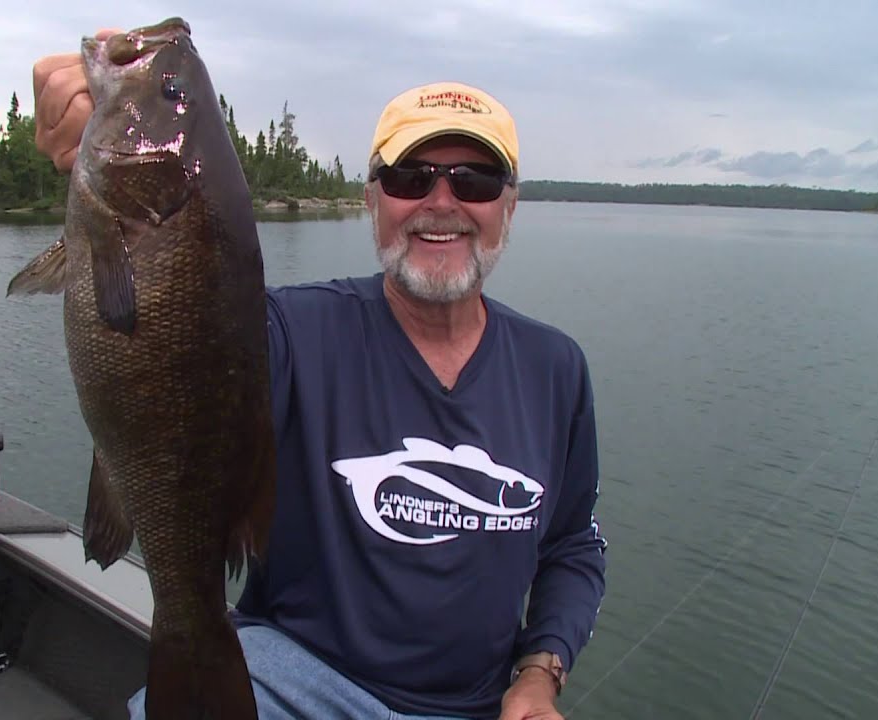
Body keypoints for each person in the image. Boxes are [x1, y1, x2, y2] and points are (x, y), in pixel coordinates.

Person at [30, 31, 607, 720]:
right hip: (298, 675)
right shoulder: (284, 333)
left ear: (509, 206)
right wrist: (91, 166)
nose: (441, 202)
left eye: (475, 181)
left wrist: (539, 674)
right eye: (408, 178)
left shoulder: (556, 369)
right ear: (372, 199)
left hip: (480, 705)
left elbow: (573, 542)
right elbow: (177, 341)